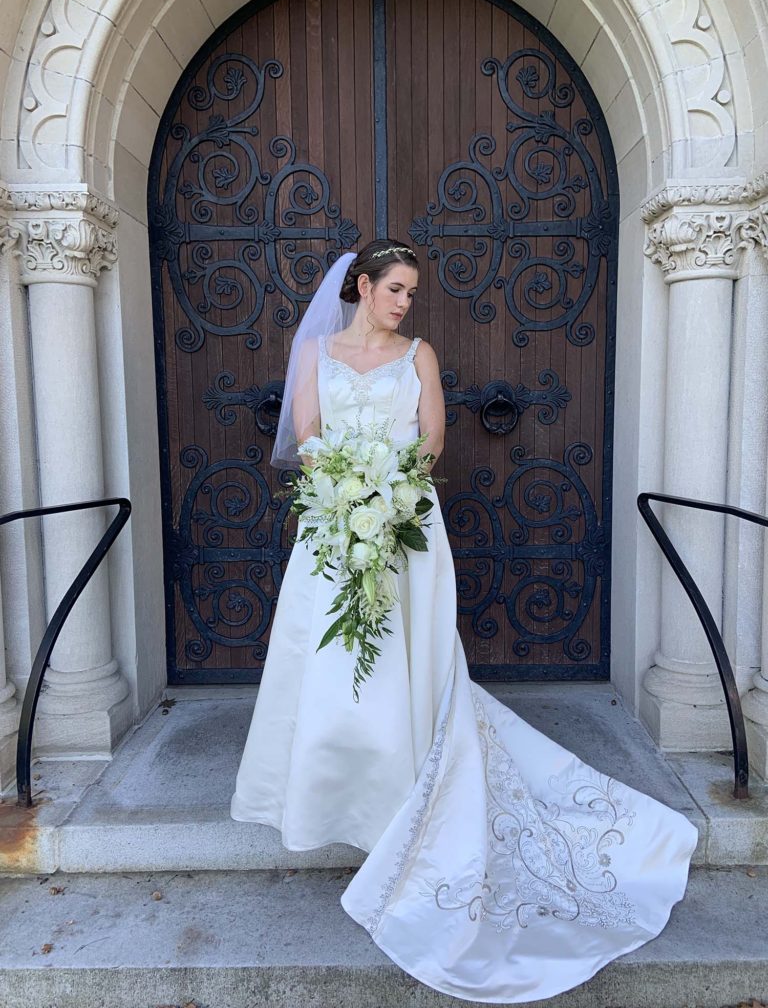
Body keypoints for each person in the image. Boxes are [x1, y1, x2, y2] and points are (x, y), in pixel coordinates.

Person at [230, 239, 698, 1003]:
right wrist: (349, 489)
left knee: (406, 659)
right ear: (362, 285)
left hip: (406, 523)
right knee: (332, 662)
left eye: (412, 293)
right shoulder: (315, 350)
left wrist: (389, 490)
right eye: (395, 290)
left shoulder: (421, 354)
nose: (405, 303)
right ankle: (333, 800)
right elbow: (305, 437)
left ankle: (412, 797)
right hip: (334, 524)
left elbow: (435, 438)